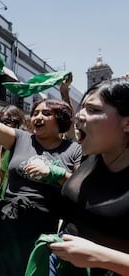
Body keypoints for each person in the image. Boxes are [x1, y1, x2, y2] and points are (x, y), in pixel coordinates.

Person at [0, 76, 82, 276]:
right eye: (35, 113)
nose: (38, 117)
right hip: (10, 221)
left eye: (46, 113)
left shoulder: (73, 150)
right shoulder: (20, 138)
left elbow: (81, 189)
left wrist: (58, 174)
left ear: (60, 120)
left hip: (43, 227)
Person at [48, 77, 129, 275]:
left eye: (93, 110)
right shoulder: (91, 156)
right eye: (82, 108)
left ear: (127, 123)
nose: (79, 117)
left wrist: (101, 257)